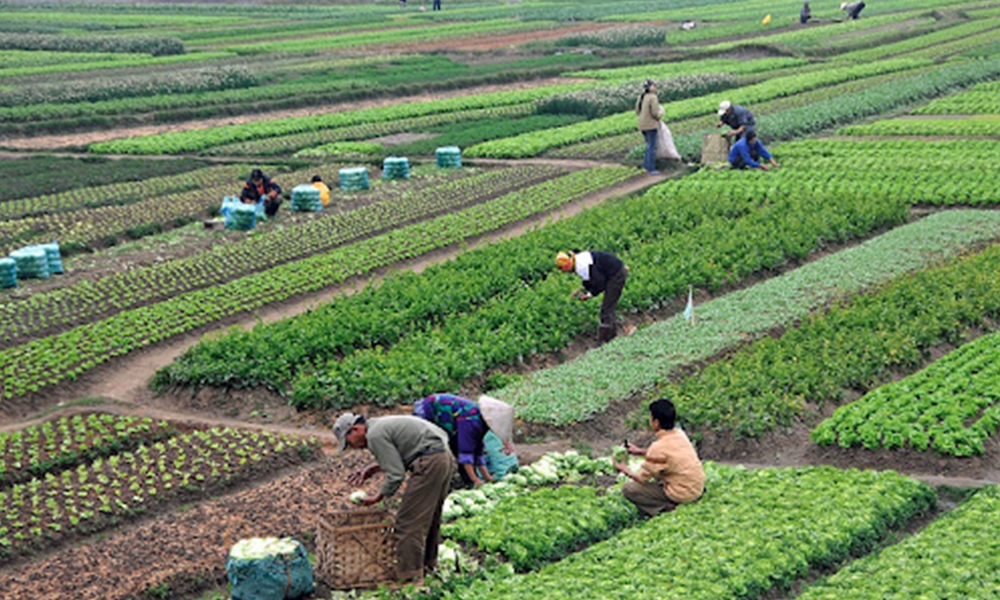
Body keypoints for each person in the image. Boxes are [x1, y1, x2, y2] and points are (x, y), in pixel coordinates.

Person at [335, 412, 456, 585]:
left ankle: (411, 579)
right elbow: (406, 448)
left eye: (348, 441)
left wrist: (378, 496)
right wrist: (376, 467)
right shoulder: (379, 425)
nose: (352, 447)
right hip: (443, 457)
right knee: (429, 518)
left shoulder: (374, 435)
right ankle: (429, 565)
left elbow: (396, 474)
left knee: (407, 522)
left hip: (430, 461)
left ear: (355, 429)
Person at [612, 398, 705, 517]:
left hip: (682, 493)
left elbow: (641, 479)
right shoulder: (679, 434)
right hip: (696, 488)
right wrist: (640, 451)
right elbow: (669, 455)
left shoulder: (658, 448)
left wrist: (623, 468)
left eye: (650, 418)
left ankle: (665, 507)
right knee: (659, 473)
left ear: (656, 422)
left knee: (629, 489)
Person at [412, 393, 494, 487]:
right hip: (429, 411)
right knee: (432, 451)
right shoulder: (471, 421)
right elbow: (465, 452)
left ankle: (468, 481)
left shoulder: (481, 424)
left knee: (460, 448)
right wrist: (475, 480)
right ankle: (427, 482)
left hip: (449, 421)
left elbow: (478, 451)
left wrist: (487, 477)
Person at [556, 250, 628, 344]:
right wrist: (580, 290)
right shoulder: (579, 260)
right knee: (608, 307)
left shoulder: (582, 265)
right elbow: (589, 279)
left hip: (616, 275)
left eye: (563, 269)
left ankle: (605, 340)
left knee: (606, 308)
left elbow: (600, 283)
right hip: (610, 273)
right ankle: (611, 336)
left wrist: (589, 295)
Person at [635, 79, 663, 175]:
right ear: (650, 88)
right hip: (651, 125)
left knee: (648, 145)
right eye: (654, 86)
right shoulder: (653, 97)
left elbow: (637, 111)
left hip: (642, 125)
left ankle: (646, 165)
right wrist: (661, 113)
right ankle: (650, 168)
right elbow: (655, 113)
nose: (656, 87)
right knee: (651, 146)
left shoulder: (642, 97)